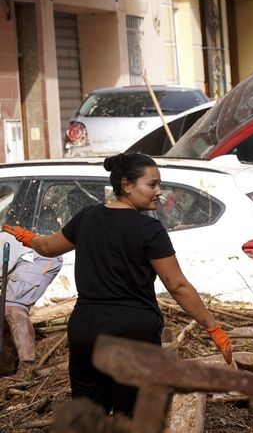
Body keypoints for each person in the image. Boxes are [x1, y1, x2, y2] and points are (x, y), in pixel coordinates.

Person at [2, 153, 232, 417]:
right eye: (152, 184)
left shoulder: (86, 218)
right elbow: (177, 285)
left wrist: (27, 237)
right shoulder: (149, 230)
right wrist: (212, 327)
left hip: (87, 330)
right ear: (126, 185)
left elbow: (47, 247)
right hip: (132, 335)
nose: (159, 191)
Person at [0, 233, 62, 373]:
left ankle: (27, 366)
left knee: (13, 307)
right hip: (18, 261)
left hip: (37, 257)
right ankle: (6, 367)